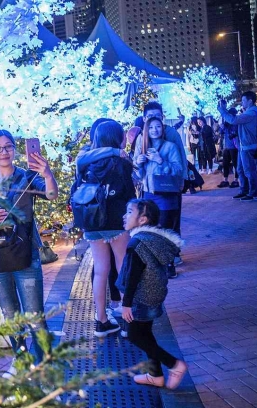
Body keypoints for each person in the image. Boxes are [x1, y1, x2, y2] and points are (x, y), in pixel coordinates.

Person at [0, 129, 58, 362]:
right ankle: (22, 366)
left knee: (34, 317)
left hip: (25, 255)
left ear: (15, 149)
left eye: (8, 146)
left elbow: (51, 194)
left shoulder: (26, 177)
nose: (4, 152)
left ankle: (45, 367)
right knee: (10, 316)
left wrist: (48, 173)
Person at [117, 199, 187, 389]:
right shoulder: (153, 240)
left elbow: (133, 276)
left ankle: (174, 364)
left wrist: (126, 303)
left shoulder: (136, 244)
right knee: (145, 334)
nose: (125, 215)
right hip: (154, 295)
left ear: (142, 220)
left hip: (141, 298)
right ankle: (155, 375)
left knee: (135, 336)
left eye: (130, 212)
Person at [74, 121, 135, 337]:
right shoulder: (121, 162)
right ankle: (129, 323)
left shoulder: (85, 162)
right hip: (116, 222)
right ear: (118, 138)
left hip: (91, 221)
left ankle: (101, 320)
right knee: (123, 268)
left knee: (101, 270)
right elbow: (130, 195)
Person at [134, 102, 187, 270]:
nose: (154, 126)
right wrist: (138, 163)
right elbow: (137, 170)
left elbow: (180, 164)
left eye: (158, 119)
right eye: (150, 119)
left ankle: (171, 259)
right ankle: (159, 260)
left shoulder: (171, 136)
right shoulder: (142, 141)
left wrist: (180, 180)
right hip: (149, 191)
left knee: (169, 225)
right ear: (144, 120)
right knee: (152, 227)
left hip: (168, 189)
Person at [217, 92, 257, 201]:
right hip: (243, 145)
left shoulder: (252, 113)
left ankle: (254, 193)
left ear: (250, 100)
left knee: (249, 170)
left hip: (248, 145)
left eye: (243, 100)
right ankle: (244, 191)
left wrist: (222, 111)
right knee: (241, 170)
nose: (242, 103)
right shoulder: (249, 112)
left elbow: (234, 120)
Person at [217, 112, 240, 189]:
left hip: (234, 147)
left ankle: (236, 180)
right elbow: (220, 132)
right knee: (225, 164)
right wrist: (222, 127)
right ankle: (225, 180)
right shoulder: (226, 123)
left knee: (235, 164)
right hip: (226, 147)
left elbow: (234, 133)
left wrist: (227, 128)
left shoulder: (235, 123)